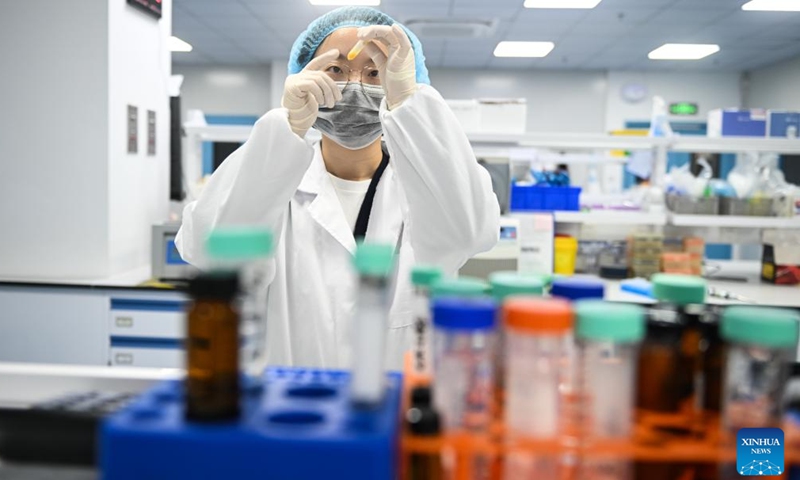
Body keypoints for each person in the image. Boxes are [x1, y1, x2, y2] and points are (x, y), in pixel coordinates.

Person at [175, 6, 500, 370]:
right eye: (336, 70)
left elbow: (471, 232)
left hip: (396, 410)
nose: (355, 87)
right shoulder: (269, 178)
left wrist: (410, 103)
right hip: (291, 411)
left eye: (375, 72)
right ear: (304, 76)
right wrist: (286, 128)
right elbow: (207, 249)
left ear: (403, 81)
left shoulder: (426, 187)